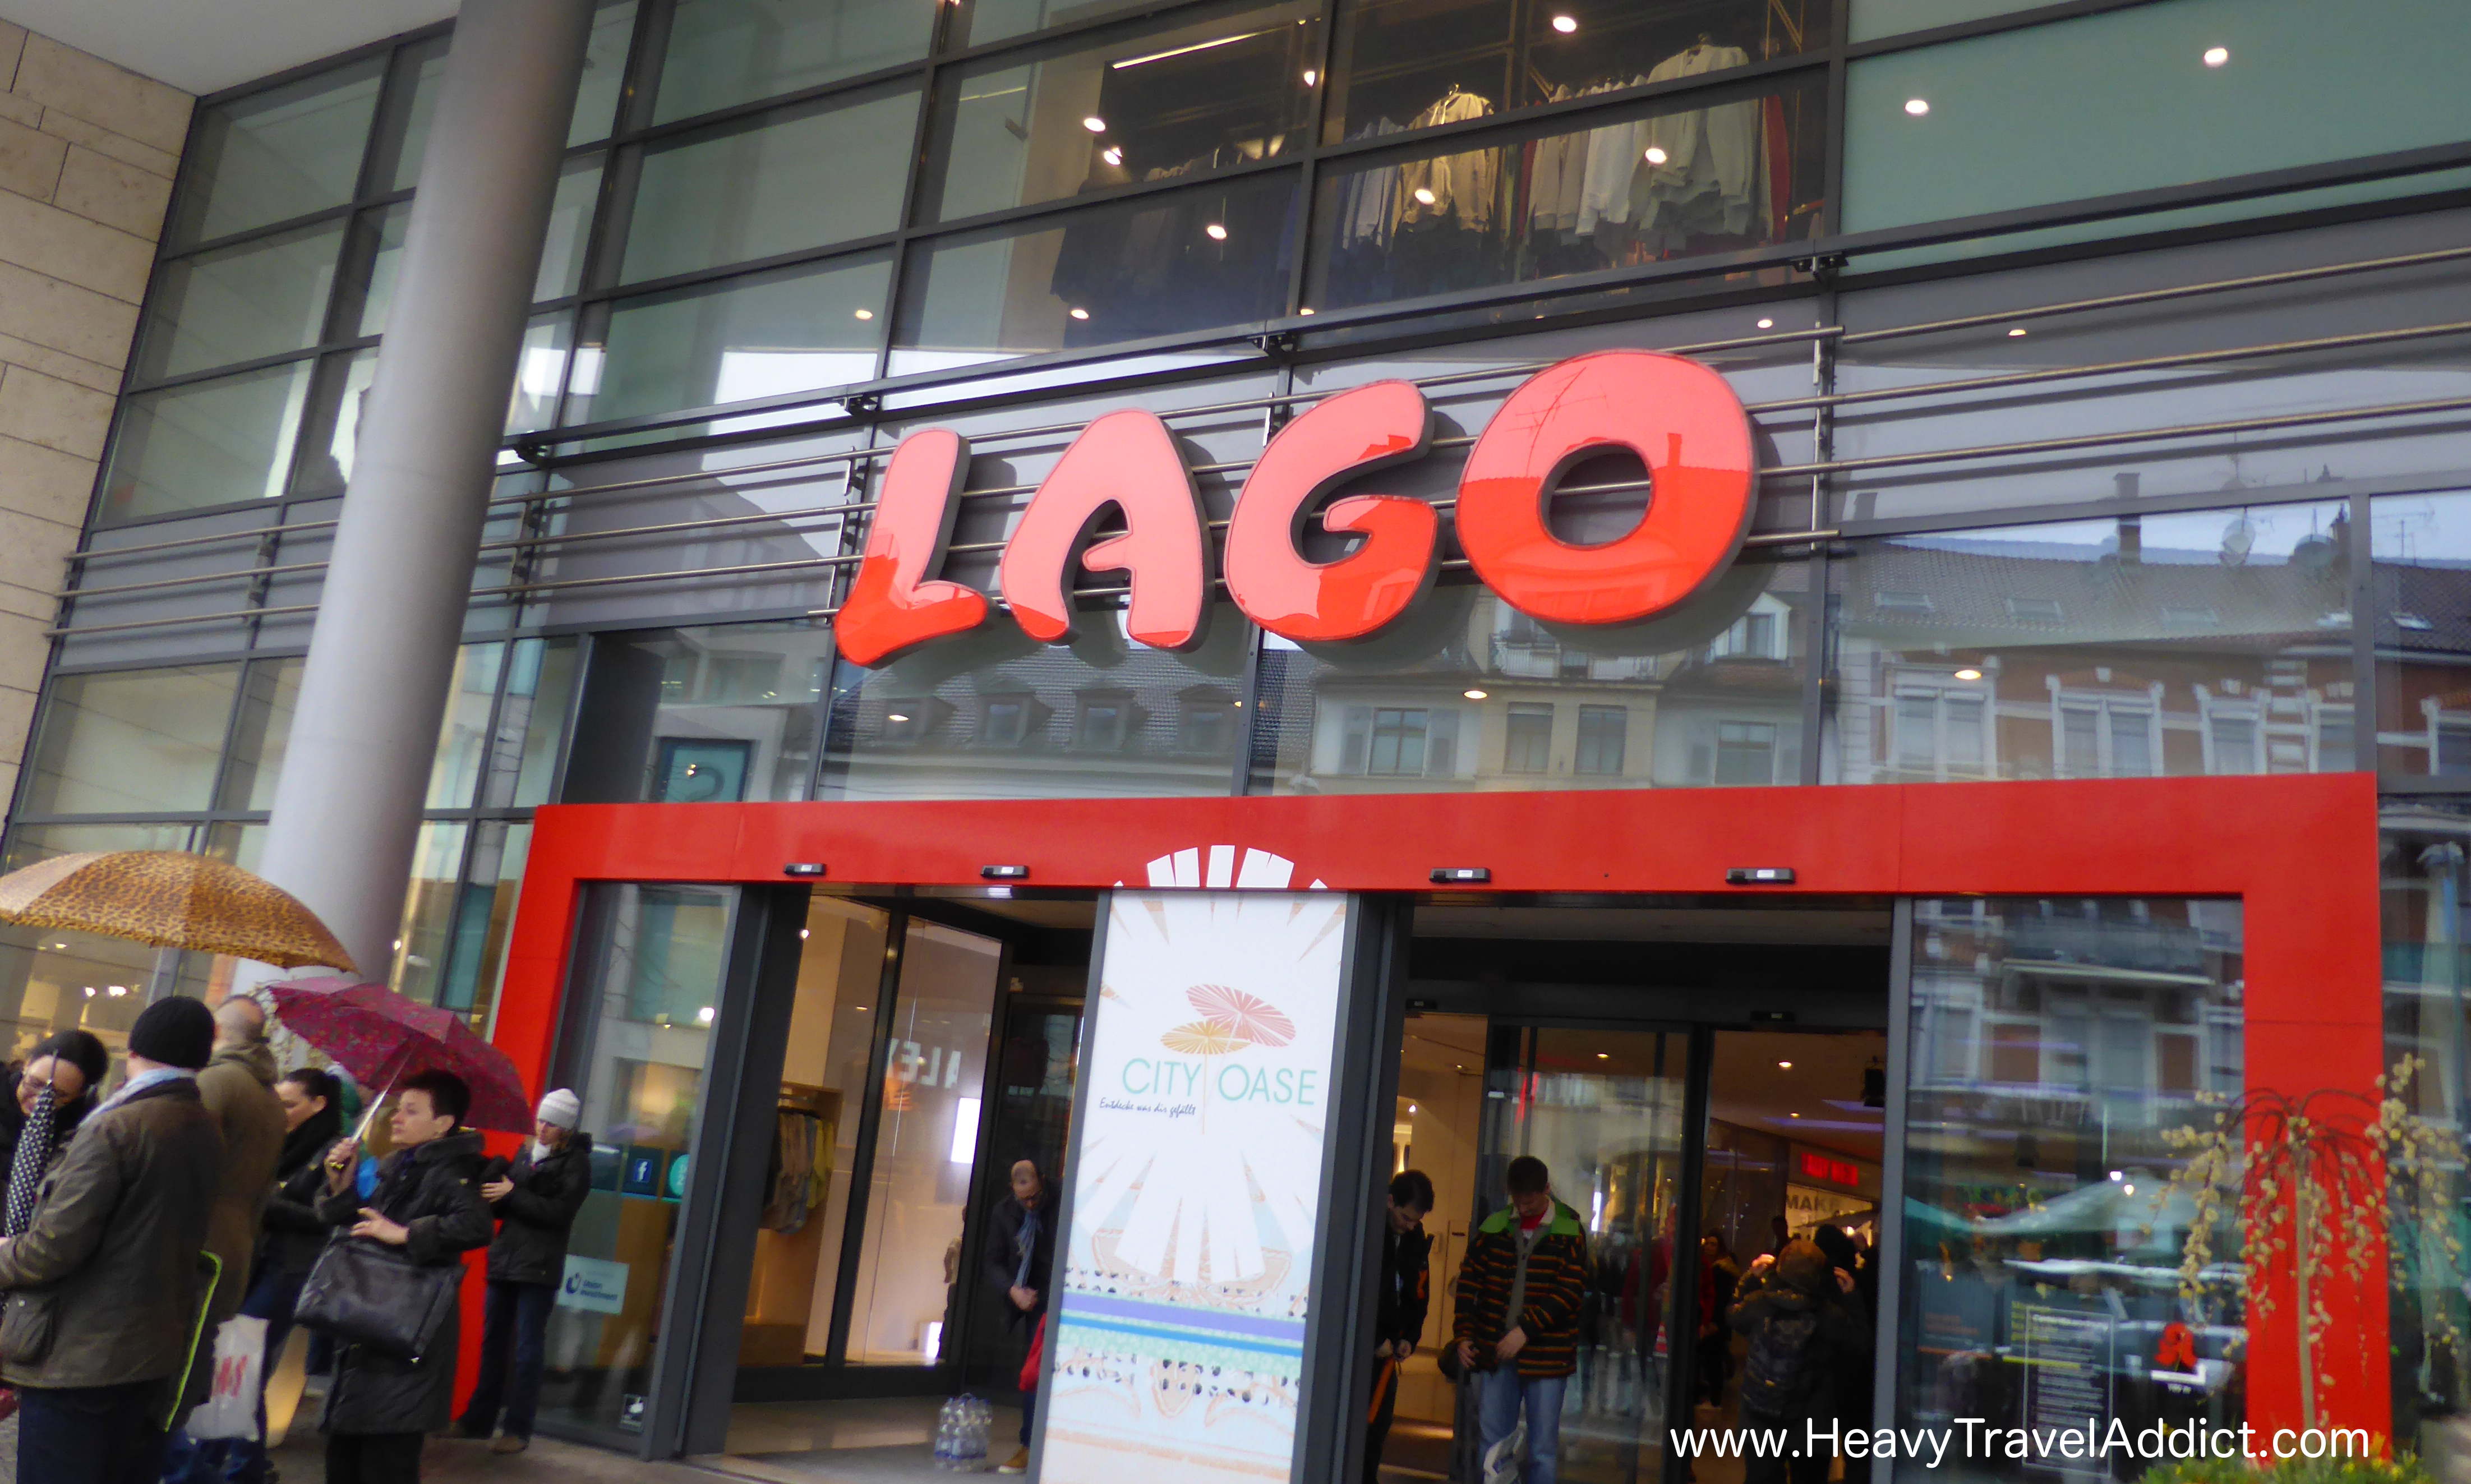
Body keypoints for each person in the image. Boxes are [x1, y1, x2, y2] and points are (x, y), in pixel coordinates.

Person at [0, 997, 223, 1484]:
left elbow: (51, 1249)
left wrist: (5, 1254)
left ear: (134, 1049)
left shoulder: (114, 1126)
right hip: (150, 1352)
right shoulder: (202, 1124)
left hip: (81, 1356)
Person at [314, 1070, 492, 1484]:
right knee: (345, 1457)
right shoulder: (398, 1166)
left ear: (443, 1123)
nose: (397, 1118)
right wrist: (340, 1187)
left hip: (406, 1331)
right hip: (370, 1322)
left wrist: (407, 1234)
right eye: (398, 1109)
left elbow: (476, 1226)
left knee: (386, 1459)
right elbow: (362, 1226)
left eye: (412, 1111)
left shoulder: (453, 1171)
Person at [173, 1067, 342, 1484]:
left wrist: (263, 1201)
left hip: (292, 1267)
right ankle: (232, 1463)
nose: (282, 1112)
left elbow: (326, 1217)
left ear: (319, 1104)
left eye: (291, 1104)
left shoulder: (336, 1151)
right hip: (256, 1259)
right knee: (238, 1365)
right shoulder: (276, 1140)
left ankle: (234, 1466)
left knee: (244, 1364)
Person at [162, 996, 289, 1483]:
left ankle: (187, 1474)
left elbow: (185, 1160)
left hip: (197, 1243)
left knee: (172, 1380)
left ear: (216, 1031)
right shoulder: (268, 1095)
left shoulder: (217, 1082)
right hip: (235, 1245)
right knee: (190, 1372)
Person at [458, 1088, 592, 1454]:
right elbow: (506, 1206)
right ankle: (478, 1420)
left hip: (539, 1264)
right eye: (541, 1120)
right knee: (493, 1343)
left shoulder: (576, 1163)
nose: (543, 1128)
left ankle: (517, 1429)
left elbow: (559, 1213)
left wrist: (512, 1193)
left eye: (552, 1124)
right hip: (505, 1258)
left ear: (566, 1128)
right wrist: (492, 1187)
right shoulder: (526, 1153)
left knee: (527, 1349)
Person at [1454, 1156, 1586, 1484]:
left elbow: (1569, 1291)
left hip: (1548, 1356)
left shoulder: (1569, 1229)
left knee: (1542, 1449)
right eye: (1518, 1200)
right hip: (1497, 1351)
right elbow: (1469, 1282)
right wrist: (1464, 1334)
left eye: (1530, 1200)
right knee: (1493, 1446)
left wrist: (1525, 1331)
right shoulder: (1494, 1227)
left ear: (1547, 1190)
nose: (1524, 1207)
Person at [1728, 1238, 1869, 1484]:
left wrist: (1750, 1278)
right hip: (1812, 1423)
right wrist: (1851, 1297)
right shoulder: (1830, 1315)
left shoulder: (1759, 1304)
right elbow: (1860, 1345)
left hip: (1761, 1418)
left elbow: (1733, 1314)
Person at [985, 1159, 1054, 1476]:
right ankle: (1029, 1444)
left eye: (1035, 1197)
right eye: (1023, 1198)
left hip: (1060, 1291)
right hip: (1031, 1298)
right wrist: (1013, 1291)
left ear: (1043, 1181)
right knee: (1034, 1371)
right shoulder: (1004, 1212)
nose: (1030, 1204)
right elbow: (992, 1262)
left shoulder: (1060, 1202)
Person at [0, 1031, 111, 1227]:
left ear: (81, 1094)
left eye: (60, 1095)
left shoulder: (85, 1131)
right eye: (35, 1084)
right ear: (27, 1064)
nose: (39, 1101)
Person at [1366, 1169, 1433, 1484]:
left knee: (1378, 1428)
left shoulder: (1414, 1240)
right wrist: (1373, 1339)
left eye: (1416, 1221)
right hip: (1365, 1351)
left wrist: (1410, 1338)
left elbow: (1418, 1294)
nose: (1410, 1226)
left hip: (1389, 1353)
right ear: (1390, 1201)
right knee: (1358, 1428)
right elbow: (1358, 1295)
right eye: (1406, 1218)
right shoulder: (1367, 1232)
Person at [1694, 1231, 1742, 1409]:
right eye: (1707, 1243)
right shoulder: (1712, 1267)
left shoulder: (1720, 1270)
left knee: (1713, 1360)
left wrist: (1712, 1322)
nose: (1709, 1247)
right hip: (1713, 1320)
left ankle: (1715, 1400)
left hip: (1715, 1321)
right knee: (1712, 1358)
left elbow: (1720, 1299)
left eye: (1713, 1244)